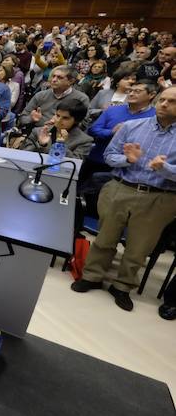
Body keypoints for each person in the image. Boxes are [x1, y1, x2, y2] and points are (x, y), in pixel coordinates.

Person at [71, 86, 176, 312]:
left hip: (159, 197)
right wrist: (127, 160)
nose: (164, 104)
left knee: (139, 247)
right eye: (162, 100)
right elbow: (109, 156)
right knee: (105, 238)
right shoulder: (131, 127)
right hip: (120, 188)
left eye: (172, 101)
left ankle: (122, 286)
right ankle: (92, 276)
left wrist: (165, 168)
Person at [20, 97, 93, 159]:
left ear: (77, 121)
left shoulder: (84, 141)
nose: (58, 120)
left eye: (65, 118)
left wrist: (60, 146)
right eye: (57, 115)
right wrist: (41, 144)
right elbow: (23, 155)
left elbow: (74, 165)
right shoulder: (38, 131)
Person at [18, 65, 89, 129]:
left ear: (70, 81)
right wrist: (31, 119)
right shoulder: (41, 95)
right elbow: (22, 118)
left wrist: (60, 124)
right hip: (36, 132)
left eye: (60, 78)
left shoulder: (81, 98)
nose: (54, 80)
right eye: (53, 76)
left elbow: (83, 125)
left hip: (64, 137)